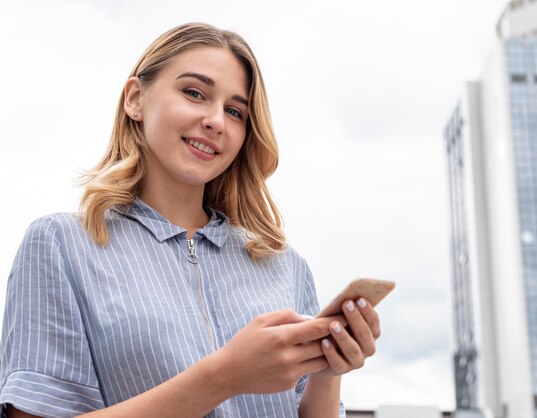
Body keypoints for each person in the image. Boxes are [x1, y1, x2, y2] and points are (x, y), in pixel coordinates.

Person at [0, 22, 381, 418]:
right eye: (194, 93)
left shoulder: (285, 267)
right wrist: (224, 375)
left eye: (235, 111)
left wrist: (328, 370)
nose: (216, 120)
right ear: (135, 98)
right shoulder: (61, 245)